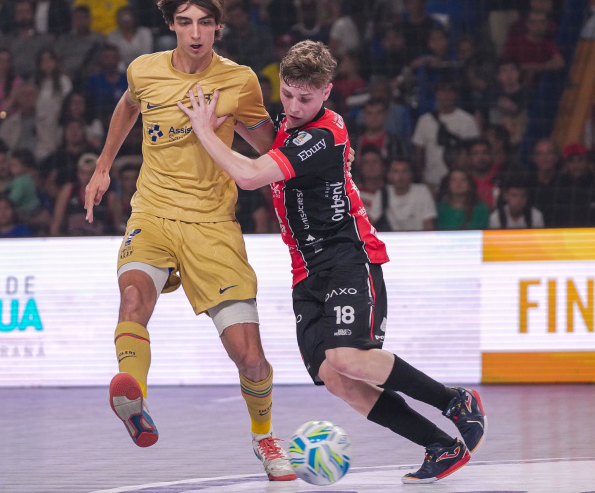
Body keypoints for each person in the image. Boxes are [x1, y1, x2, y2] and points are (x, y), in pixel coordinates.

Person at [180, 40, 485, 484]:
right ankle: (439, 445)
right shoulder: (292, 124)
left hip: (347, 256)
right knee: (334, 377)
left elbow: (248, 176)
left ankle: (454, 400)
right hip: (306, 272)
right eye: (286, 94)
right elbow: (267, 141)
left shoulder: (322, 135)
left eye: (305, 98)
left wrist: (205, 130)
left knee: (350, 358)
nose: (294, 105)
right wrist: (227, 120)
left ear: (327, 92)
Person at [82, 0, 296, 481]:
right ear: (172, 26)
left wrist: (310, 168)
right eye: (185, 23)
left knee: (250, 359)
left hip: (212, 226)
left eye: (204, 22)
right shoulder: (144, 70)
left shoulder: (239, 81)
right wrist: (103, 165)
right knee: (133, 299)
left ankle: (264, 436)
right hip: (152, 213)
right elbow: (129, 105)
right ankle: (133, 398)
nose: (195, 33)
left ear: (218, 27)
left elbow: (268, 147)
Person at [384, 157, 437, 231]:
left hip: (419, 240)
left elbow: (429, 224)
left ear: (410, 174)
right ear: (389, 175)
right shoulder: (383, 193)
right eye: (396, 171)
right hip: (392, 241)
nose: (400, 176)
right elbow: (369, 222)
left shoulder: (422, 191)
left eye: (404, 171)